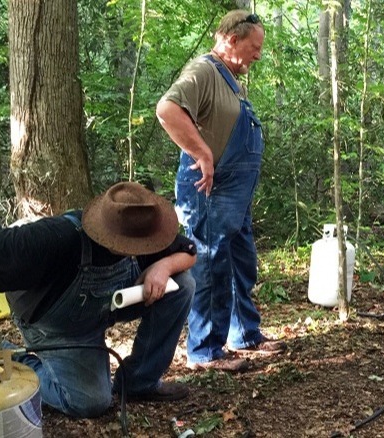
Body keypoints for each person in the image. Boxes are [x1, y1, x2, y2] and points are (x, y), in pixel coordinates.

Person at [0, 182, 197, 418]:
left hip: (108, 304)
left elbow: (188, 252)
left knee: (181, 285)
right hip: (53, 324)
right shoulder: (57, 236)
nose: (149, 248)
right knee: (89, 402)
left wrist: (164, 266)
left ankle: (138, 382)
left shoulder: (142, 224)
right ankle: (6, 355)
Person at [156, 9, 285, 372]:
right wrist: (201, 152)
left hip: (235, 195)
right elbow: (167, 109)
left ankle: (243, 332)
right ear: (230, 39)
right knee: (209, 262)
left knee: (241, 262)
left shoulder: (230, 79)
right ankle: (205, 350)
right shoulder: (204, 71)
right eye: (254, 47)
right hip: (209, 189)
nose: (258, 55)